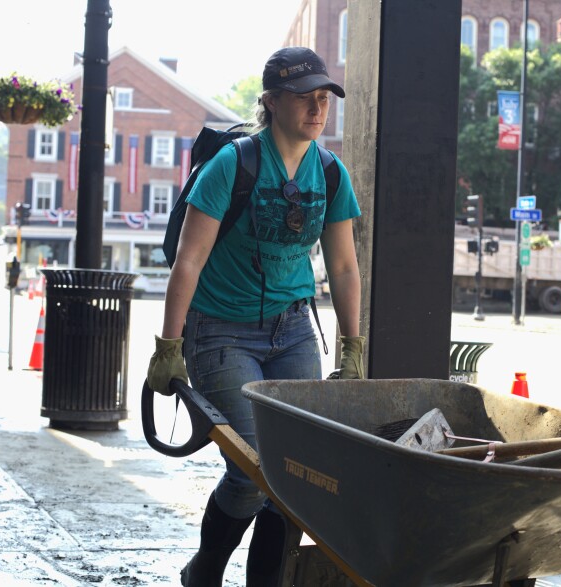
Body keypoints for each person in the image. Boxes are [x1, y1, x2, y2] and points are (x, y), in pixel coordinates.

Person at [146, 46, 365, 587]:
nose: (317, 109)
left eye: (323, 99)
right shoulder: (233, 164)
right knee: (254, 473)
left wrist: (352, 349)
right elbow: (189, 260)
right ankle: (204, 573)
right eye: (303, 98)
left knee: (297, 476)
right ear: (271, 101)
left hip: (292, 331)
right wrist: (168, 348)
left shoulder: (331, 174)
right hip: (220, 330)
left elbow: (343, 266)